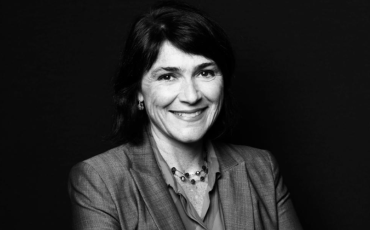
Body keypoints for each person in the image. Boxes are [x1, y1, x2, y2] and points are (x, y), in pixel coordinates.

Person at [68, 1, 302, 230]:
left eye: (205, 72)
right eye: (168, 76)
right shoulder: (100, 179)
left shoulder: (261, 167)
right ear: (138, 91)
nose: (191, 96)